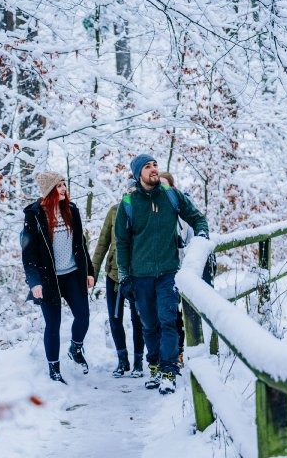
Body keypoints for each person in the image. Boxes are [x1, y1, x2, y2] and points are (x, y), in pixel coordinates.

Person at [115, 155, 209, 394]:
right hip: (140, 275)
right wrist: (125, 277)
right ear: (138, 175)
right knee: (149, 325)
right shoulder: (128, 203)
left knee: (168, 321)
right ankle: (154, 366)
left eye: (155, 165)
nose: (154, 169)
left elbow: (197, 218)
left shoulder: (171, 196)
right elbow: (122, 243)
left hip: (168, 272)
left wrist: (202, 238)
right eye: (147, 167)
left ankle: (169, 371)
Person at [21, 171, 95, 384]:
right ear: (49, 190)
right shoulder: (34, 215)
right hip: (48, 279)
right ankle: (54, 369)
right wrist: (34, 282)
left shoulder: (71, 211)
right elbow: (28, 253)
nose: (64, 188)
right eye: (59, 185)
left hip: (72, 274)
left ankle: (76, 348)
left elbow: (81, 244)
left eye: (64, 184)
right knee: (53, 324)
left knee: (83, 316)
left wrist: (89, 270)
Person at [158, 171, 217, 367]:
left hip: (187, 268)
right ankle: (175, 353)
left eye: (165, 185)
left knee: (186, 311)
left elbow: (196, 229)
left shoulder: (180, 207)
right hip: (167, 268)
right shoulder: (154, 207)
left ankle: (191, 351)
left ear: (173, 187)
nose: (161, 188)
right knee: (170, 313)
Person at [92, 181, 145, 378]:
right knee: (115, 319)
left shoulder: (144, 212)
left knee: (138, 319)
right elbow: (102, 243)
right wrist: (92, 272)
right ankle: (122, 360)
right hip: (114, 274)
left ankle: (139, 361)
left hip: (137, 275)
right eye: (129, 190)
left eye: (135, 191)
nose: (131, 194)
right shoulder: (114, 211)